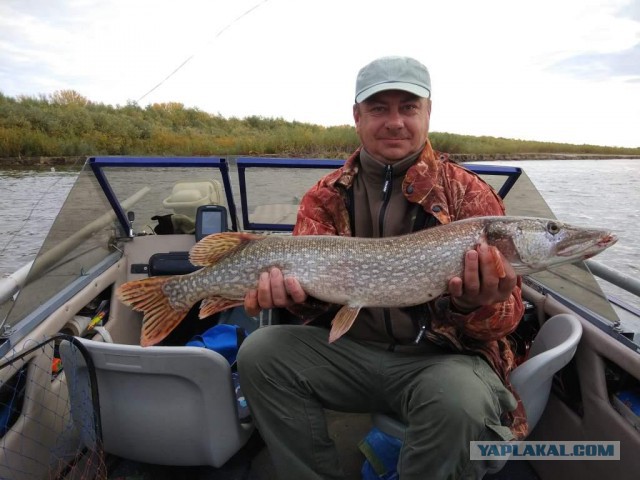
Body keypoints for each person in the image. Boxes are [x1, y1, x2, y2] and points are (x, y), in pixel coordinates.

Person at [237, 55, 526, 480]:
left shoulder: (469, 197)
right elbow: (312, 306)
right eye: (378, 108)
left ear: (427, 113)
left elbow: (507, 322)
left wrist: (476, 306)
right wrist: (291, 300)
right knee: (260, 354)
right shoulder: (324, 197)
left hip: (440, 361)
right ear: (357, 117)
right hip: (349, 354)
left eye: (408, 107)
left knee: (458, 399)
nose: (395, 122)